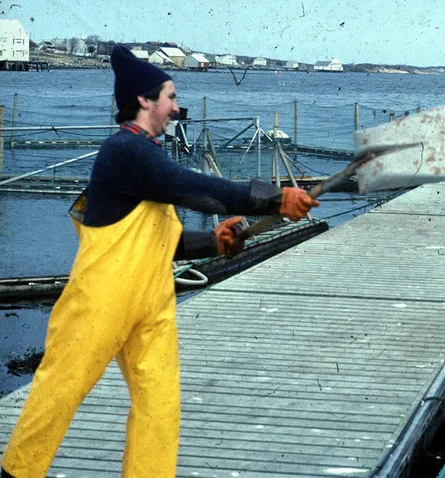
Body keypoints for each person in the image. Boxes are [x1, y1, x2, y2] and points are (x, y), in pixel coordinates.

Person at [0, 46, 319, 478]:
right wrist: (275, 198)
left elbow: (159, 239)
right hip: (100, 302)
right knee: (58, 393)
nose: (176, 106)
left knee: (160, 405)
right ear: (145, 101)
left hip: (152, 301)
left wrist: (214, 240)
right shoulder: (126, 151)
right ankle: (17, 473)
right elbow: (187, 185)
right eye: (169, 96)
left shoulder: (148, 156)